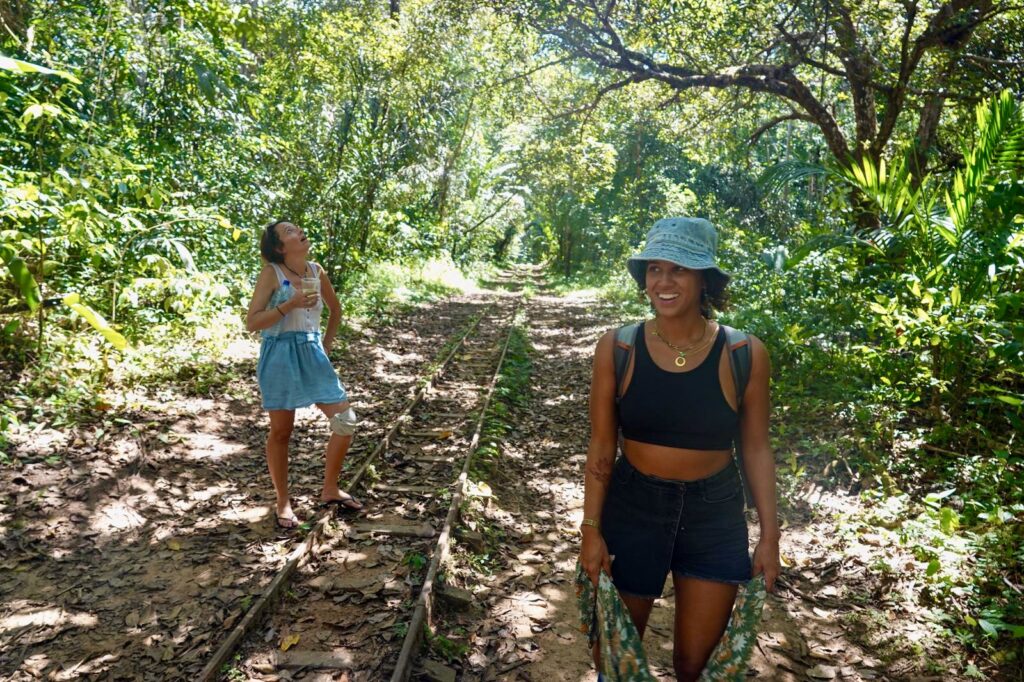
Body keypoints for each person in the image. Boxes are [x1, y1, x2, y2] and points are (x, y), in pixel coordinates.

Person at [578, 217, 780, 681]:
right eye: (655, 269)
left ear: (705, 278)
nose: (664, 282)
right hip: (633, 506)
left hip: (714, 514)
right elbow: (602, 443)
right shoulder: (618, 347)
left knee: (696, 665)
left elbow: (756, 449)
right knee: (616, 659)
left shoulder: (744, 352)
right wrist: (591, 528)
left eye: (680, 270)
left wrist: (770, 536)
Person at [246, 219, 363, 529]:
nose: (298, 231)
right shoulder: (272, 273)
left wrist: (325, 344)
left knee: (345, 419)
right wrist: (291, 304)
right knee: (282, 431)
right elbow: (252, 322)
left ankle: (330, 488)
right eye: (289, 231)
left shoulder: (316, 271)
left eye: (297, 228)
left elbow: (336, 310)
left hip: (311, 350)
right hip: (279, 353)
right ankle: (282, 501)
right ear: (279, 247)